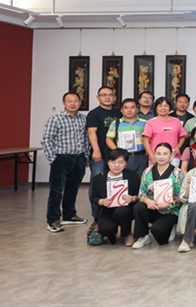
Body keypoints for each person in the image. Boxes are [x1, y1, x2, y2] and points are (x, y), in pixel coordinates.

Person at [42, 92, 90, 232]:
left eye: (75, 101)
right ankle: (53, 220)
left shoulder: (83, 119)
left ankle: (69, 215)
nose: (73, 104)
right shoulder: (55, 119)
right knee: (56, 191)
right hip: (61, 159)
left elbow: (86, 139)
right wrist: (53, 159)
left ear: (80, 103)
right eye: (69, 101)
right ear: (64, 103)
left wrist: (86, 156)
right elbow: (47, 139)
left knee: (72, 189)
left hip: (79, 159)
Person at [132, 143, 184, 248]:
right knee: (139, 207)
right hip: (153, 208)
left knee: (158, 232)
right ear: (154, 155)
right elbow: (141, 194)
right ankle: (143, 236)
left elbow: (180, 198)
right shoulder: (147, 171)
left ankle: (170, 227)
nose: (161, 157)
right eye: (158, 153)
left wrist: (167, 205)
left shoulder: (177, 173)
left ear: (171, 155)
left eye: (165, 154)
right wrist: (148, 201)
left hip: (170, 211)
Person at [90, 148, 140, 246]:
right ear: (108, 162)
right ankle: (111, 235)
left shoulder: (132, 175)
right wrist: (101, 201)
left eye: (121, 162)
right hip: (107, 210)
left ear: (126, 163)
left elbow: (139, 194)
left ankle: (127, 234)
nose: (116, 165)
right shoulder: (99, 178)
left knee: (122, 211)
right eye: (113, 162)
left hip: (125, 209)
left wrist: (132, 198)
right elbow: (93, 198)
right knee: (106, 229)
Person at [86, 86, 121, 218]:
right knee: (97, 183)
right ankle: (96, 215)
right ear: (98, 97)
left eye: (110, 95)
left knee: (115, 183)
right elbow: (91, 132)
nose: (107, 97)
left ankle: (112, 213)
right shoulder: (94, 114)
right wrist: (96, 150)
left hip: (115, 155)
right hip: (99, 156)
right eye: (103, 95)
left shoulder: (118, 113)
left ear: (114, 97)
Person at [105, 98, 148, 178]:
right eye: (126, 107)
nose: (129, 110)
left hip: (141, 156)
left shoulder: (145, 123)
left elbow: (149, 139)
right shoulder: (116, 123)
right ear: (122, 110)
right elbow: (109, 139)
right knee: (124, 179)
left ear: (137, 109)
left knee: (141, 179)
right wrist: (117, 151)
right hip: (123, 157)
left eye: (132, 107)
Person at [141, 97, 187, 167]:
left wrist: (178, 147)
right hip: (156, 156)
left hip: (173, 156)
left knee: (173, 174)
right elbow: (145, 141)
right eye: (160, 106)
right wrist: (151, 155)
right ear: (156, 108)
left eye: (165, 106)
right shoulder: (151, 122)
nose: (163, 108)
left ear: (169, 107)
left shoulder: (177, 121)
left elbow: (182, 136)